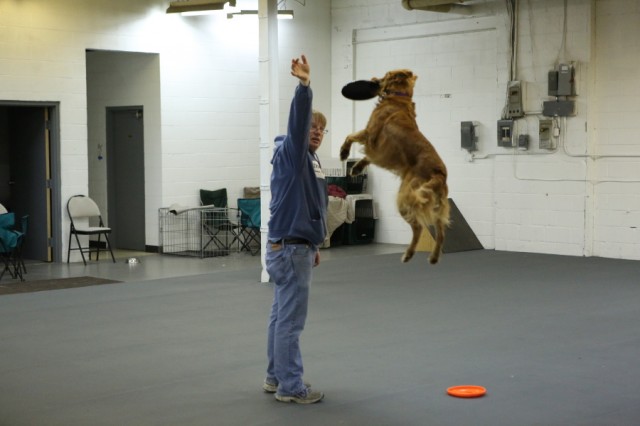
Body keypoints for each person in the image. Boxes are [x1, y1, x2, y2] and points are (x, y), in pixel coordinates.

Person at [262, 54, 328, 404]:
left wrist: (315, 243)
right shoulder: (291, 152)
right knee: (290, 321)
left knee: (280, 315)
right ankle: (291, 386)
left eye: (322, 129)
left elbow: (313, 204)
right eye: (312, 128)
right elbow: (299, 125)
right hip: (289, 250)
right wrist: (304, 87)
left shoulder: (309, 161)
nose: (317, 132)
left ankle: (275, 377)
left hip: (295, 246)